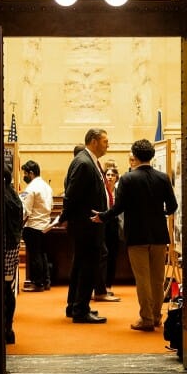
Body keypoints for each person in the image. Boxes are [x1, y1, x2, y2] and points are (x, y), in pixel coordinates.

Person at [93, 138, 178, 331]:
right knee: (157, 279)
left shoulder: (128, 179)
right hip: (158, 234)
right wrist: (160, 214)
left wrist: (102, 217)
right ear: (152, 155)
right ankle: (157, 316)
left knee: (143, 278)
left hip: (137, 235)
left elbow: (119, 207)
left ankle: (146, 318)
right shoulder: (163, 177)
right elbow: (172, 206)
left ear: (135, 156)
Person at [61, 128, 112, 324]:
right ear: (93, 141)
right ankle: (81, 310)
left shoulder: (87, 160)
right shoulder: (84, 162)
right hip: (87, 225)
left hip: (86, 224)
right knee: (88, 267)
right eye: (105, 141)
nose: (108, 144)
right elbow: (72, 195)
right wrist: (66, 218)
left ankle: (74, 305)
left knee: (80, 266)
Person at [19, 160, 53, 291]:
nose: (24, 176)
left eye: (25, 173)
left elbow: (25, 210)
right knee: (43, 254)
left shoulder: (31, 188)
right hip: (45, 225)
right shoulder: (47, 187)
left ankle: (37, 283)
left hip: (33, 225)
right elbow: (51, 206)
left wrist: (20, 224)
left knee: (35, 256)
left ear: (31, 173)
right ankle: (46, 281)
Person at [1, 165, 24, 343]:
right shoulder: (14, 195)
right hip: (13, 246)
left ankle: (3, 328)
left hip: (2, 246)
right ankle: (8, 328)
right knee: (7, 288)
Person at [96, 162, 123, 299]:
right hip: (103, 223)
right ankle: (100, 285)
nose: (110, 177)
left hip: (114, 225)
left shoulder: (119, 191)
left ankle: (108, 285)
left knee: (112, 255)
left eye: (113, 175)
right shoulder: (102, 190)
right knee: (102, 255)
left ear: (117, 177)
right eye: (108, 175)